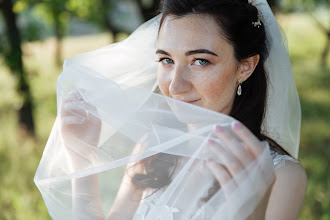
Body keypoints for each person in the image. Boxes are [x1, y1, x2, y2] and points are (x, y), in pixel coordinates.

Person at [34, 0, 307, 219]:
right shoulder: (152, 149)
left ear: (245, 67)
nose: (175, 86)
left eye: (200, 61)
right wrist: (81, 155)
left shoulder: (280, 176)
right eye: (166, 60)